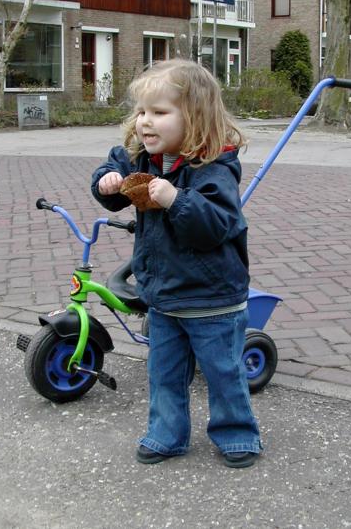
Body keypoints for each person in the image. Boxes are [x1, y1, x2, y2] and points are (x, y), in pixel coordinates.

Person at [91, 59, 262, 468]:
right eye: (142, 112)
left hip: (212, 299)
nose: (146, 122)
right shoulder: (138, 158)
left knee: (223, 373)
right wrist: (107, 182)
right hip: (164, 296)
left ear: (195, 117)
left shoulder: (214, 169)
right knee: (164, 374)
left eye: (160, 113)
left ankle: (236, 433)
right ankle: (167, 433)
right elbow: (113, 174)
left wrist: (174, 198)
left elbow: (218, 225)